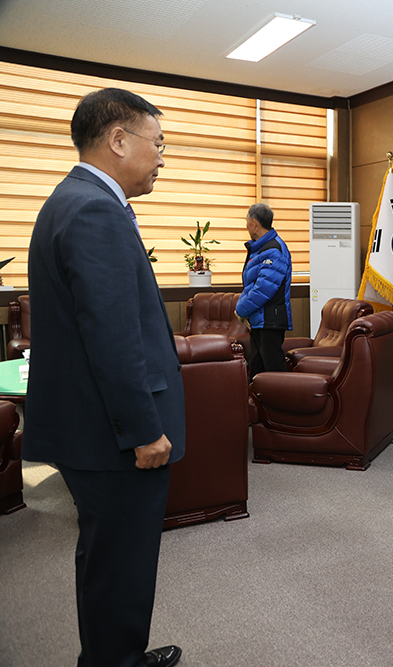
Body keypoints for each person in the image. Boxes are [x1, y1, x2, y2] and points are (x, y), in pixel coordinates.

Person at [24, 88, 184, 667]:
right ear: (118, 140)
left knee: (105, 556)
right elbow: (113, 337)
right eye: (158, 143)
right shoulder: (94, 209)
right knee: (121, 561)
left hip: (90, 429)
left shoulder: (72, 199)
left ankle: (112, 655)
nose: (163, 157)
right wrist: (143, 429)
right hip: (114, 436)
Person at [236, 202, 292, 378]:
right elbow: (250, 285)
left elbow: (263, 289)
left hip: (270, 320)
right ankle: (260, 406)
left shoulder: (274, 249)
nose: (245, 225)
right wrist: (244, 309)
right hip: (259, 320)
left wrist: (240, 309)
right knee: (258, 372)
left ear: (254, 222)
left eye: (246, 220)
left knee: (274, 372)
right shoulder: (259, 248)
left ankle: (284, 405)